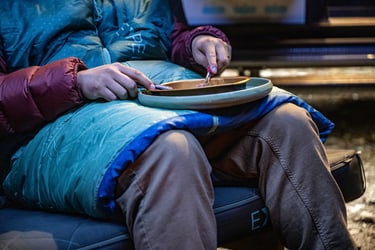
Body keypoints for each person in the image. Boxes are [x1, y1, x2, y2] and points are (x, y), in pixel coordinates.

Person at [0, 0, 356, 249]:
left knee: (286, 122)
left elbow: (166, 34)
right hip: (50, 133)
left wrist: (197, 42)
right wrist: (73, 82)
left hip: (162, 111)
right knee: (172, 151)